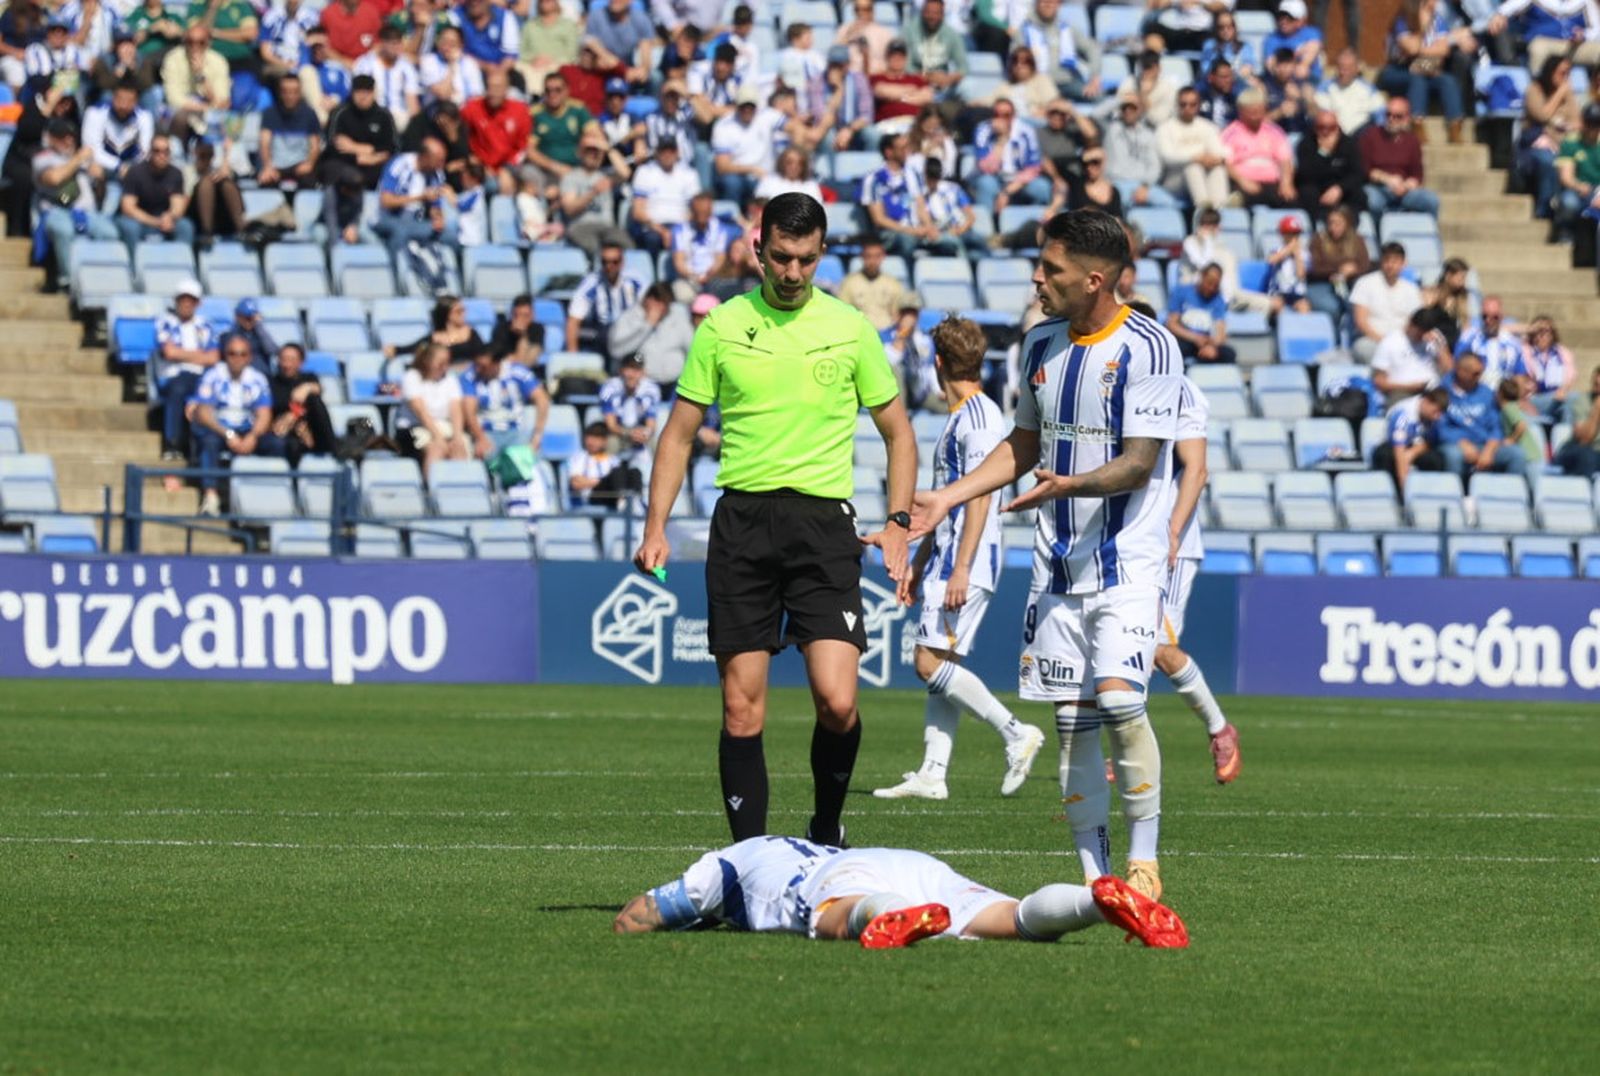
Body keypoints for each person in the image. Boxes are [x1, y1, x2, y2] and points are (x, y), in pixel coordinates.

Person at [910, 209, 1181, 902]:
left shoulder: (1150, 348)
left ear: (1094, 280)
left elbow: (1141, 463)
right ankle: (1099, 881)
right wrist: (947, 498)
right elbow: (1022, 448)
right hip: (1057, 563)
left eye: (1052, 270)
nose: (1038, 278)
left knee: (1120, 703)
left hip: (1126, 556)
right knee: (1071, 725)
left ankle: (1144, 861)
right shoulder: (1036, 347)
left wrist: (1075, 483)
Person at [633, 192, 916, 847]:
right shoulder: (722, 326)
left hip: (823, 528)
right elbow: (677, 436)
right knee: (741, 709)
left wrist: (898, 520)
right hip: (743, 524)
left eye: (806, 261)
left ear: (821, 257)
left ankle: (824, 827)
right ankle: (749, 862)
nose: (792, 273)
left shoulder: (849, 328)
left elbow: (899, 433)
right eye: (781, 259)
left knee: (838, 702)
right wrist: (655, 527)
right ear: (759, 250)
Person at [874, 317, 1046, 803]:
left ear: (939, 363)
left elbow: (978, 498)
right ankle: (933, 771)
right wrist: (921, 560)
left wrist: (962, 566)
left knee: (927, 662)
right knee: (941, 662)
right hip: (949, 553)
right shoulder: (965, 416)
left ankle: (1016, 732)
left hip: (967, 559)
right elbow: (946, 504)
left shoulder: (978, 419)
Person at [612, 835, 1188, 949]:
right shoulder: (783, 843)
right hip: (906, 860)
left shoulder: (722, 866)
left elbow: (641, 915)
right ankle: (1095, 902)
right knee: (1008, 918)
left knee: (839, 913)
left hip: (838, 879)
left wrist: (655, 918)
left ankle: (894, 918)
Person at [1157, 376, 1240, 784]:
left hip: (1171, 543)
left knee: (1158, 648)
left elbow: (1196, 468)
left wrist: (1172, 531)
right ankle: (1124, 751)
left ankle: (1219, 729)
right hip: (1124, 539)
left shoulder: (1181, 389)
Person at [190, 333, 284, 518]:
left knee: (277, 444)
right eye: (232, 353)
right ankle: (211, 496)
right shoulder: (213, 375)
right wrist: (228, 434)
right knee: (209, 442)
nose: (237, 358)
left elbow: (264, 414)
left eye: (242, 354)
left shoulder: (257, 379)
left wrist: (253, 436)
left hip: (248, 429)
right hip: (220, 428)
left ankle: (270, 493)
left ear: (249, 356)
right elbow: (203, 412)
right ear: (226, 355)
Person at [32, 117, 119, 290]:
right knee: (64, 231)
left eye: (71, 136)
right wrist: (78, 159)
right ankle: (69, 281)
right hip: (56, 212)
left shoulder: (85, 160)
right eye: (63, 137)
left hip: (87, 213)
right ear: (51, 138)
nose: (68, 140)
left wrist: (99, 179)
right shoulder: (43, 158)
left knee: (110, 233)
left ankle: (102, 280)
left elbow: (100, 195)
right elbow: (54, 179)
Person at [1378, 0, 1473, 145]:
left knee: (1447, 80)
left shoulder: (1437, 19)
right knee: (1417, 79)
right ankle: (1417, 123)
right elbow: (1411, 48)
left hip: (1425, 67)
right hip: (1397, 70)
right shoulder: (1403, 20)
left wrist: (1424, 55)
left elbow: (1444, 50)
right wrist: (1422, 29)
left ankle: (1455, 126)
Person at [154, 278, 220, 464]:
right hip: (172, 376)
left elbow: (214, 357)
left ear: (198, 303)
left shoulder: (205, 325)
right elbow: (169, 352)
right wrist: (200, 354)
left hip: (201, 376)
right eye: (182, 299)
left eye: (191, 300)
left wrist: (182, 353)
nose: (186, 304)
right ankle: (172, 443)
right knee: (179, 387)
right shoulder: (165, 321)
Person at [1436, 352, 1528, 478]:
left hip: (1483, 445)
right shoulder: (1442, 392)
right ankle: (1457, 494)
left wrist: (1489, 450)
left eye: (1481, 372)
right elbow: (1438, 427)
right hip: (1454, 445)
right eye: (1475, 374)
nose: (1480, 377)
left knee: (1516, 454)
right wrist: (1461, 442)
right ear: (1460, 372)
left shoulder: (1487, 393)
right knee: (1454, 456)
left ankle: (1508, 494)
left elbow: (1495, 426)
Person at [374, 135, 455, 263]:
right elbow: (386, 201)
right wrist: (419, 198)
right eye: (439, 160)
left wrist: (438, 219)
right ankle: (396, 274)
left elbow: (436, 208)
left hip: (418, 222)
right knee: (401, 231)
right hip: (390, 219)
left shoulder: (436, 174)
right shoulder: (400, 164)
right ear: (426, 157)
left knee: (450, 235)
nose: (442, 165)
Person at [396, 341, 469, 475]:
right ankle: (431, 488)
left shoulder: (450, 380)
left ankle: (459, 487)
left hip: (444, 426)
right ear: (427, 361)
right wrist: (438, 437)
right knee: (436, 449)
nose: (445, 367)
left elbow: (456, 409)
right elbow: (420, 411)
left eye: (447, 362)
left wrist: (457, 437)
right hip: (415, 428)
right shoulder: (411, 377)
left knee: (459, 449)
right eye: (441, 363)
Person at [1359, 96, 1439, 217]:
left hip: (1404, 190)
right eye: (1388, 114)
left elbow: (1417, 175)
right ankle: (1378, 234)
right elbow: (1363, 169)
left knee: (1431, 201)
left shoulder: (1412, 141)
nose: (1391, 119)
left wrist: (1406, 186)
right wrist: (1385, 179)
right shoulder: (1370, 136)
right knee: (1373, 202)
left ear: (1407, 118)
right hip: (1377, 187)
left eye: (1398, 116)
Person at [461, 348, 548, 459]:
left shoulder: (517, 372)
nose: (478, 369)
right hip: (488, 432)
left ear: (496, 364)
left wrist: (537, 437)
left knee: (527, 460)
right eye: (476, 364)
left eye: (483, 366)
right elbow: (469, 411)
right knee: (485, 455)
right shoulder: (471, 376)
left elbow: (542, 400)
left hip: (516, 430)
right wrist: (480, 438)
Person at [861, 130, 936, 258]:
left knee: (950, 242)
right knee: (907, 241)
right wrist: (911, 231)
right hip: (892, 233)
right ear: (889, 152)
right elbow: (879, 220)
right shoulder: (874, 179)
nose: (907, 152)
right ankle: (908, 275)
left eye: (908, 147)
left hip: (916, 230)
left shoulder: (913, 175)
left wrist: (929, 227)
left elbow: (921, 206)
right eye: (902, 148)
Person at [560, 127, 632, 257]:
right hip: (581, 226)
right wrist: (592, 193)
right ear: (581, 153)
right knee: (596, 249)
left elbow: (625, 173)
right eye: (589, 151)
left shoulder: (606, 176)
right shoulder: (571, 177)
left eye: (597, 152)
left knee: (628, 247)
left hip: (607, 227)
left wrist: (607, 148)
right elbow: (569, 209)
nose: (593, 155)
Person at [567, 241, 645, 360]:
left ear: (622, 262)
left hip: (630, 328)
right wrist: (573, 358)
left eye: (614, 262)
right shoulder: (591, 283)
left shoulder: (636, 281)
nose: (609, 267)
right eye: (605, 262)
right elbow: (573, 320)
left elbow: (651, 308)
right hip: (602, 331)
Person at [969, 96, 1050, 210]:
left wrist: (1006, 192)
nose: (1001, 119)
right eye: (997, 115)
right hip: (994, 178)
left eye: (1006, 115)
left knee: (1042, 187)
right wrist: (1002, 139)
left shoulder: (1026, 132)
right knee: (986, 183)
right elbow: (987, 168)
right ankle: (989, 224)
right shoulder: (983, 130)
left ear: (1013, 115)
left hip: (1019, 179)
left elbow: (1032, 169)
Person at [608, 281, 694, 387]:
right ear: (648, 299)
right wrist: (647, 326)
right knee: (637, 358)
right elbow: (616, 351)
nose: (661, 308)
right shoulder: (629, 318)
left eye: (665, 304)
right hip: (639, 385)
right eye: (657, 302)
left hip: (674, 385)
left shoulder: (679, 319)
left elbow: (692, 349)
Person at [1156, 86, 1229, 211]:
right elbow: (1168, 157)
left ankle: (1220, 209)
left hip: (1204, 175)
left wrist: (1213, 159)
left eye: (1192, 104)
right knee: (1193, 167)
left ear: (1198, 105)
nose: (1187, 108)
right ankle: (1204, 209)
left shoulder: (1207, 127)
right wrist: (1195, 158)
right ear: (1177, 105)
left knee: (1218, 169)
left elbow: (1222, 152)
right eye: (1183, 104)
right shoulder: (1165, 128)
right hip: (1174, 180)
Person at [1221, 88, 1296, 208]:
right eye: (1251, 112)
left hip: (1272, 183)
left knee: (1291, 201)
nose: (1255, 116)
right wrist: (1243, 181)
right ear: (1241, 112)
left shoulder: (1275, 131)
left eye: (1259, 111)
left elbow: (1285, 160)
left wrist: (1286, 183)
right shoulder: (1230, 133)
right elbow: (1226, 163)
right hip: (1243, 183)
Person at [1349, 242, 1423, 363]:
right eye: (1387, 260)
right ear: (1381, 262)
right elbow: (1360, 321)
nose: (1390, 265)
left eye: (1395, 261)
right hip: (1372, 341)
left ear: (1403, 263)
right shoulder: (1365, 283)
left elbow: (1414, 322)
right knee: (1364, 349)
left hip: (1402, 342)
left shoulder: (1411, 289)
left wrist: (1399, 342)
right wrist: (1384, 341)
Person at [324, 74, 398, 190]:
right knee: (333, 168)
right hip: (345, 163)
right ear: (352, 93)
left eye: (367, 92)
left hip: (375, 164)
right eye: (358, 92)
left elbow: (392, 147)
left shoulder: (384, 115)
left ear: (374, 93)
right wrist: (358, 158)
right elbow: (332, 146)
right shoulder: (340, 113)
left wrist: (357, 148)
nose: (363, 97)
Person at [267, 342, 337, 465]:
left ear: (301, 362)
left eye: (292, 360)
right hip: (286, 433)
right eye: (283, 359)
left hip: (311, 430)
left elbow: (318, 389)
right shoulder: (272, 383)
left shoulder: (308, 378)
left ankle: (333, 450)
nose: (287, 364)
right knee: (291, 444)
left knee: (315, 401)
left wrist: (306, 389)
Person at [1104, 90, 1175, 210]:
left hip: (1142, 185)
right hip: (1117, 183)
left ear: (1140, 110)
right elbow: (1095, 114)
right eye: (1125, 108)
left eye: (1133, 108)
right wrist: (1122, 99)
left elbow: (1155, 166)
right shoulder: (1111, 128)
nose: (1128, 111)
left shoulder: (1148, 134)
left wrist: (1145, 186)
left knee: (1169, 203)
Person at [628, 138, 699, 255]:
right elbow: (638, 212)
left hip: (681, 224)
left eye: (671, 151)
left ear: (677, 153)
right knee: (652, 239)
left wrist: (676, 231)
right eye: (663, 151)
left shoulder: (689, 174)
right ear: (657, 153)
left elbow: (695, 209)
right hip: (653, 225)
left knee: (689, 239)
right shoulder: (644, 172)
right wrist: (663, 231)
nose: (667, 154)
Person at [1307, 205, 1372, 332]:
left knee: (1354, 304)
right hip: (1321, 283)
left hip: (1349, 282)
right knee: (1332, 308)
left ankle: (1354, 337)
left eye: (1338, 223)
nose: (1333, 227)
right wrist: (1338, 269)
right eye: (1331, 223)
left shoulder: (1357, 240)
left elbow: (1364, 264)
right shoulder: (1318, 240)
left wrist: (1353, 270)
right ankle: (1333, 340)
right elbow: (1314, 267)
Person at [257, 73, 323, 193]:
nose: (290, 96)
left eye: (294, 92)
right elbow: (264, 143)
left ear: (300, 92)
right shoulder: (269, 113)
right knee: (265, 182)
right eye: (286, 91)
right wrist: (267, 166)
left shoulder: (309, 114)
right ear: (280, 92)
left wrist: (309, 164)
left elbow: (315, 146)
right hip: (276, 167)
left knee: (310, 184)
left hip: (300, 166)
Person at [1295, 107, 1366, 219]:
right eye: (1321, 127)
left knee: (1358, 195)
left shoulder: (1348, 144)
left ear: (1337, 128)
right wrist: (1323, 153)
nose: (1325, 132)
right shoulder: (1306, 143)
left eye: (1331, 128)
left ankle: (1350, 228)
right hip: (1316, 187)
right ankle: (1317, 227)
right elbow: (1305, 174)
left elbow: (1357, 174)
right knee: (1307, 193)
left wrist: (1340, 188)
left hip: (1341, 186)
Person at [161, 25, 230, 137]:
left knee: (221, 120)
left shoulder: (218, 61)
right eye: (190, 42)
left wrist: (200, 75)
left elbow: (221, 100)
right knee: (181, 118)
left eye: (201, 42)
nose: (195, 47)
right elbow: (173, 99)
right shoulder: (173, 59)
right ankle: (181, 151)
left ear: (208, 43)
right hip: (182, 109)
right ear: (184, 42)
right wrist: (205, 108)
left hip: (207, 108)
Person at [527, 72, 593, 189]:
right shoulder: (536, 114)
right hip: (545, 171)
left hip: (576, 168)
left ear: (567, 91)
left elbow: (595, 137)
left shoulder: (578, 110)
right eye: (548, 90)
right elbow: (529, 150)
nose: (553, 94)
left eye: (558, 90)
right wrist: (555, 167)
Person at [1374, 385, 1447, 488]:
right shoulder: (1403, 415)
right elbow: (1399, 452)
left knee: (1436, 459)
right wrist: (1406, 490)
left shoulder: (1435, 417)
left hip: (1414, 446)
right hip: (1392, 446)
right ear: (1426, 402)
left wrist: (1412, 453)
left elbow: (1429, 441)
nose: (1437, 417)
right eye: (1435, 412)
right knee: (1386, 456)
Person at [1372, 307, 1448, 405]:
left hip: (1433, 389)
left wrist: (1440, 348)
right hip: (1402, 391)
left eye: (1425, 332)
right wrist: (1410, 386)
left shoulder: (1435, 340)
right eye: (1419, 332)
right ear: (1410, 324)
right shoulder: (1390, 342)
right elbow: (1379, 382)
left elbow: (1450, 370)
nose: (1421, 337)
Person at [1167, 263, 1237, 365]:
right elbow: (1172, 324)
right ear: (1202, 277)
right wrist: (1195, 338)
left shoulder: (1218, 300)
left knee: (1228, 354)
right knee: (1177, 351)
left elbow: (1220, 331)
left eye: (1216, 285)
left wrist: (1212, 346)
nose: (1211, 288)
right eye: (1209, 283)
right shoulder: (1181, 292)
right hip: (1185, 339)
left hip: (1207, 342)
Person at [669, 193, 734, 301]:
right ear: (692, 210)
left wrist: (709, 275)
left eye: (706, 212)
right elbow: (679, 261)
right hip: (688, 278)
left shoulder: (720, 229)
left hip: (713, 277)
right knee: (683, 294)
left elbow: (720, 258)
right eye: (699, 212)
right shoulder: (679, 230)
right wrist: (693, 276)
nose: (702, 216)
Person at [837, 237, 911, 332]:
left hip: (886, 334)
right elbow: (843, 314)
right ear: (862, 256)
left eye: (877, 256)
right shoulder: (849, 283)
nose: (872, 261)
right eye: (868, 256)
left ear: (883, 256)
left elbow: (897, 315)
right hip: (860, 333)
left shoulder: (893, 284)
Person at [354, 24, 423, 127]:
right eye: (393, 44)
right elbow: (360, 95)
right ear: (382, 43)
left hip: (399, 115)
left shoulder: (406, 66)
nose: (397, 48)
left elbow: (412, 100)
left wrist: (416, 125)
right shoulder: (366, 64)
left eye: (399, 44)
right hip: (372, 113)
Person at [1454, 296, 1526, 390]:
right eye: (1485, 316)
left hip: (1504, 396)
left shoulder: (1513, 344)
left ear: (1501, 317)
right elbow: (1456, 366)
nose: (1489, 321)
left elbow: (1520, 376)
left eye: (1495, 317)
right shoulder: (1468, 339)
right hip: (1476, 393)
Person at [1553, 103, 1600, 243]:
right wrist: (1579, 186)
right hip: (1580, 190)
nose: (1594, 128)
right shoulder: (1571, 143)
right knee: (1569, 202)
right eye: (1591, 123)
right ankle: (1566, 231)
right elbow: (1566, 177)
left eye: (1597, 123)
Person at [599, 354, 662, 456]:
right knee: (611, 443)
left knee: (657, 444)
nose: (632, 375)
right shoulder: (609, 387)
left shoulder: (651, 389)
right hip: (618, 432)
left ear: (643, 373)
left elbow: (651, 424)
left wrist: (645, 434)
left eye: (636, 370)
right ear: (621, 370)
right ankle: (606, 470)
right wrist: (629, 433)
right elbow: (611, 425)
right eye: (629, 369)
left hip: (640, 430)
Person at [1316, 48, 1386, 137]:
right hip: (1334, 134)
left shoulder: (1368, 89)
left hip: (1361, 134)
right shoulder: (1325, 88)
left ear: (1356, 69)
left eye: (1348, 68)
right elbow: (1320, 113)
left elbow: (1380, 114)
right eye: (1341, 67)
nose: (1343, 72)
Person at [1520, 315, 1577, 424]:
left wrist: (1563, 391)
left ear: (1553, 334)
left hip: (1558, 397)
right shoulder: (1525, 350)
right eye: (1538, 332)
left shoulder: (1562, 353)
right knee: (1573, 398)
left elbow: (1570, 378)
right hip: (1534, 399)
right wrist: (1530, 328)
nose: (1542, 336)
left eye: (1546, 332)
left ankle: (1563, 437)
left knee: (1569, 404)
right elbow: (1503, 329)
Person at [1262, 0, 1323, 84]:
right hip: (1280, 84)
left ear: (1301, 20)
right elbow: (1270, 64)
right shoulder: (1272, 38)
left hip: (1309, 82)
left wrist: (1303, 64)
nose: (1283, 21)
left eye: (1289, 18)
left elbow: (1313, 47)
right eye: (1281, 17)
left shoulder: (1311, 33)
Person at [1556, 365, 1600, 477]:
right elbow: (1584, 439)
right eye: (1596, 385)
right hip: (1578, 449)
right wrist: (1596, 410)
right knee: (1586, 456)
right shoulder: (1582, 401)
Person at [1266, 216, 1312, 314]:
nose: (1294, 238)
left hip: (1297, 293)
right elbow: (1271, 260)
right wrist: (1288, 250)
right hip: (1279, 292)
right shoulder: (1277, 250)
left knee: (1304, 307)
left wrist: (1297, 255)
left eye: (1296, 234)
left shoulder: (1305, 254)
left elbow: (1301, 275)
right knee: (1277, 306)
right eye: (1290, 234)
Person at [228, 299, 277, 377]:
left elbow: (272, 350)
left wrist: (259, 326)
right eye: (246, 317)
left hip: (261, 375)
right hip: (239, 376)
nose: (249, 321)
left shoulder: (261, 332)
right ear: (238, 317)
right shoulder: (233, 333)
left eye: (251, 317)